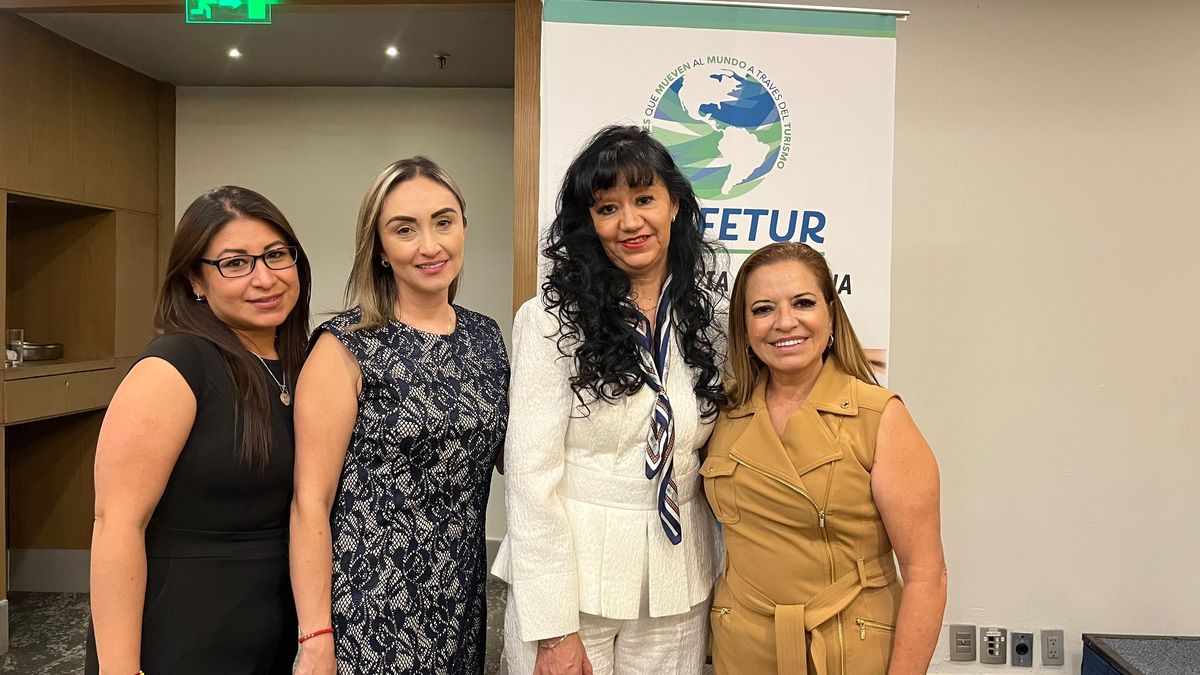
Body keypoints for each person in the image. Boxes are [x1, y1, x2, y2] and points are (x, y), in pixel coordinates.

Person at [492, 125, 726, 675]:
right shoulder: (551, 322)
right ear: (588, 224)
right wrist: (552, 631)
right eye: (607, 208)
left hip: (678, 576)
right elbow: (529, 474)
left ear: (674, 206)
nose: (629, 222)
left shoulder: (708, 322)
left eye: (644, 199)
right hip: (571, 584)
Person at [290, 157, 509, 674]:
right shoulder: (344, 347)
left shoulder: (486, 337)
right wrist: (316, 638)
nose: (430, 245)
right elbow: (309, 504)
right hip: (368, 607)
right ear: (381, 250)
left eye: (443, 221)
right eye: (404, 229)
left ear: (463, 228)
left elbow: (516, 463)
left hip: (459, 600)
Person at [86, 186, 311, 674]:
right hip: (183, 635)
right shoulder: (175, 364)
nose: (265, 278)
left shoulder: (305, 363)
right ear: (195, 279)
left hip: (277, 631)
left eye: (276, 255)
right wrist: (119, 669)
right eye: (235, 263)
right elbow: (115, 524)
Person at [703, 242, 947, 674]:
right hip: (742, 648)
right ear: (744, 326)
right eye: (762, 309)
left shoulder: (880, 416)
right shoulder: (721, 417)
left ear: (830, 314)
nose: (784, 322)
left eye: (803, 303)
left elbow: (926, 574)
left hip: (850, 647)